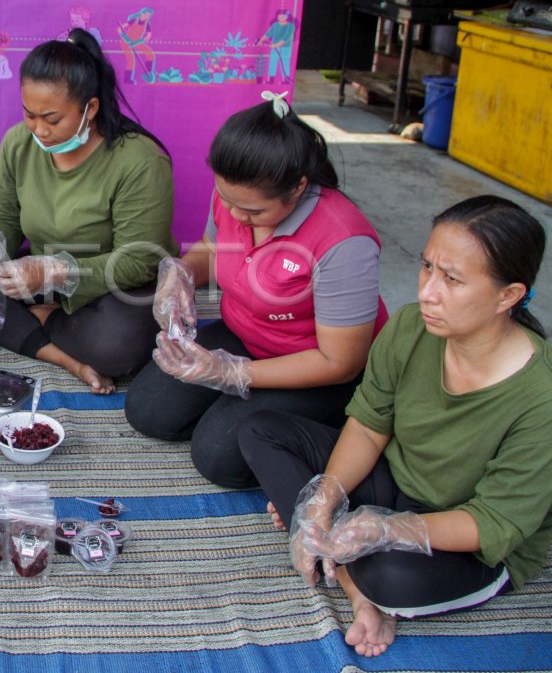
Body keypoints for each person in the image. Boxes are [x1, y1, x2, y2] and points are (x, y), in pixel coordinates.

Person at [238, 195, 552, 658]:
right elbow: (370, 426)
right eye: (427, 267)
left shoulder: (544, 396)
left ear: (508, 295)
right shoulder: (411, 327)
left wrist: (388, 531)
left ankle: (356, 574)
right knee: (258, 431)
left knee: (388, 578)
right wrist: (325, 496)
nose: (428, 290)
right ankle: (350, 579)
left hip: (469, 533)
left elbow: (495, 522)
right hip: (395, 479)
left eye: (452, 279)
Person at [125, 92, 388, 488]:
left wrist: (234, 373)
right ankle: (247, 406)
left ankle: (336, 428)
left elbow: (341, 362)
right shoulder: (235, 195)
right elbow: (213, 250)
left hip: (316, 366)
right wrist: (181, 275)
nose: (235, 216)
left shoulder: (343, 241)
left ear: (298, 188)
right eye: (227, 200)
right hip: (246, 332)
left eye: (252, 212)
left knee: (216, 457)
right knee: (147, 411)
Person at [0, 28, 176, 393]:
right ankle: (61, 352)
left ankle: (38, 323)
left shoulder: (140, 162)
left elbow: (138, 261)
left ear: (90, 108)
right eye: (29, 115)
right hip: (39, 277)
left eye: (52, 119)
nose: (39, 131)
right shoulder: (18, 143)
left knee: (118, 346)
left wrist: (56, 272)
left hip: (115, 287)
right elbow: (3, 218)